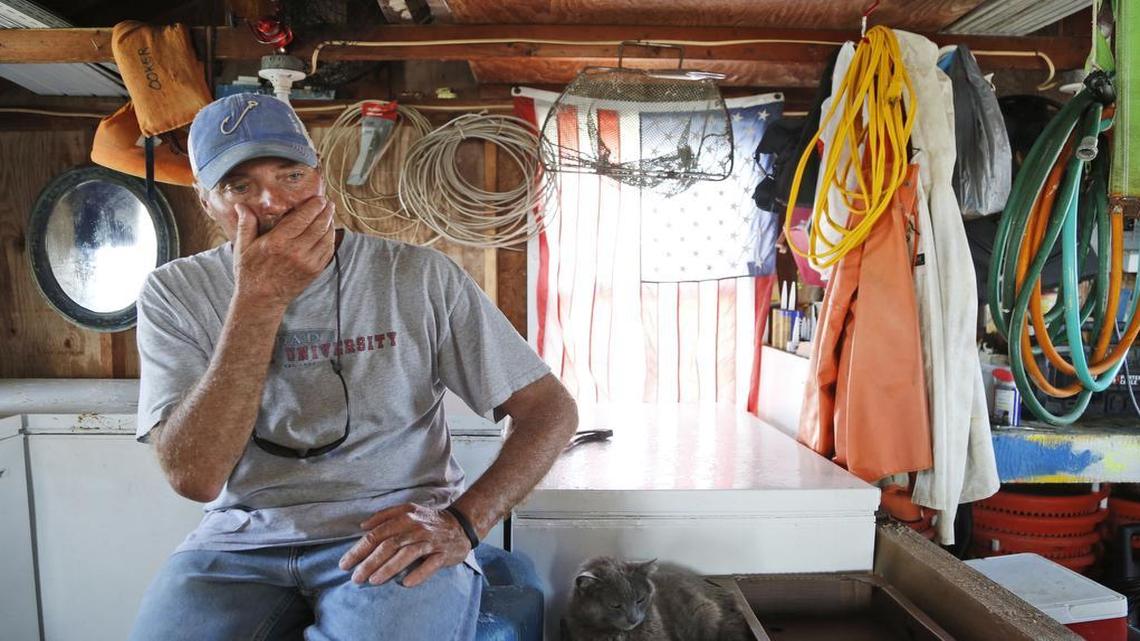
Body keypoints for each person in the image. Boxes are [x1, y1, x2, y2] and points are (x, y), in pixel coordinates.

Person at [128, 93, 578, 641]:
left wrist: (463, 522)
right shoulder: (174, 293)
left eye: (291, 175)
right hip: (239, 541)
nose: (272, 202)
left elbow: (550, 410)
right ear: (206, 203)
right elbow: (194, 478)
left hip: (392, 532)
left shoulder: (419, 276)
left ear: (321, 179)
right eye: (238, 186)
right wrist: (259, 299)